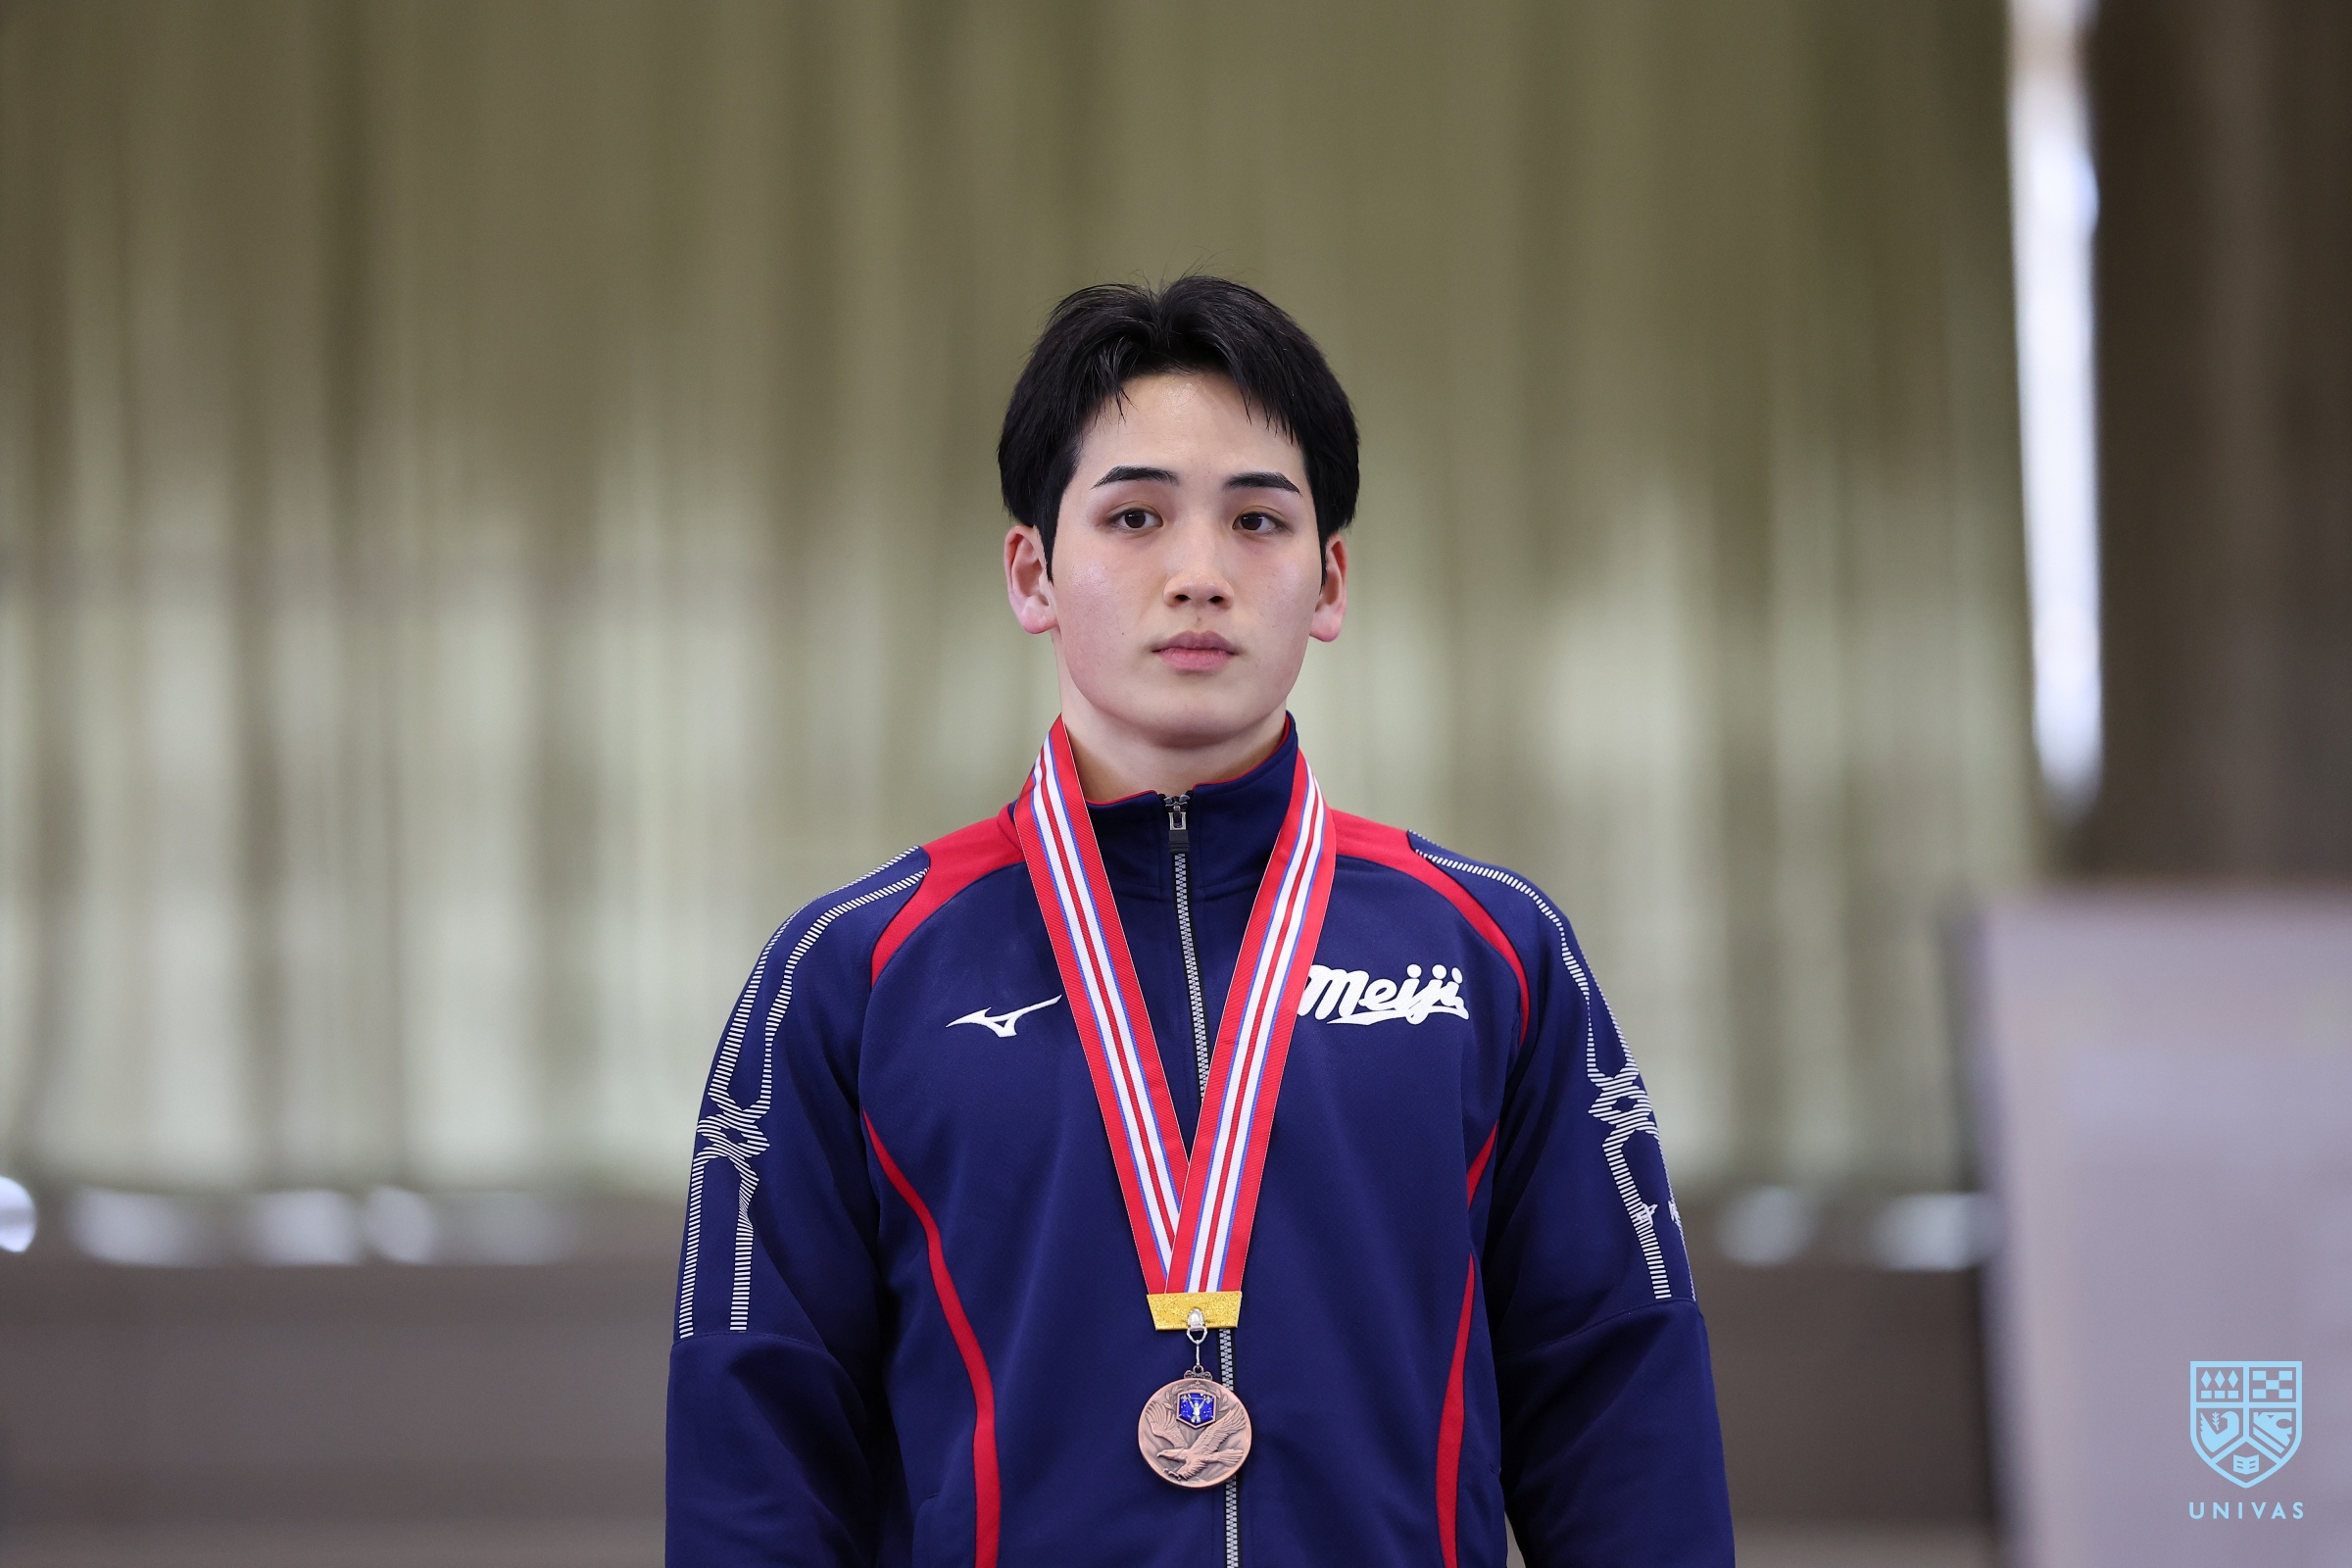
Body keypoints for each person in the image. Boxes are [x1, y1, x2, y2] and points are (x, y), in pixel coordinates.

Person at [666, 276, 1734, 1567]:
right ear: (1032, 573)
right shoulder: (853, 972)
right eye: (1134, 517)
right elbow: (760, 1440)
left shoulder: (1493, 951)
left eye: (1258, 521)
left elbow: (1619, 1397)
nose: (1199, 575)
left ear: (1330, 582)